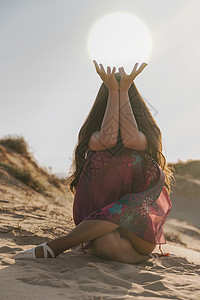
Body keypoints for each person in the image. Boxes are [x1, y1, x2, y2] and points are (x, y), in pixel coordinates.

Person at [14, 60, 174, 263]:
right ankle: (139, 259)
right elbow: (107, 140)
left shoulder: (145, 136)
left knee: (127, 203)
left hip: (138, 226)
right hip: (101, 226)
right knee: (107, 244)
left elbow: (131, 139)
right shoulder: (94, 136)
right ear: (106, 100)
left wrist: (123, 90)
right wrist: (113, 92)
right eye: (113, 95)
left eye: (123, 95)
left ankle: (57, 246)